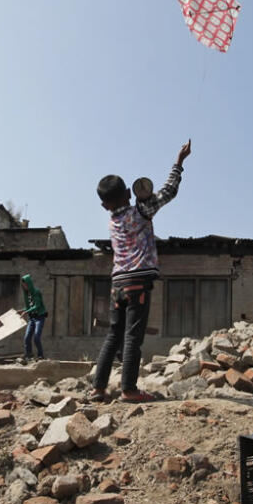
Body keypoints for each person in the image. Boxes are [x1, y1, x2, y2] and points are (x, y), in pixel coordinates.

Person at [91, 139, 192, 403]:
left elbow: (125, 202)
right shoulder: (141, 211)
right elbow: (169, 191)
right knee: (133, 337)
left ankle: (98, 389)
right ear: (128, 193)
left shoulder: (111, 220)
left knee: (114, 334)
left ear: (104, 205)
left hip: (117, 284)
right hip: (138, 281)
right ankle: (129, 390)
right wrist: (179, 163)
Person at [20, 273, 47, 362]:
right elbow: (29, 307)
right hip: (32, 318)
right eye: (23, 285)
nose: (24, 287)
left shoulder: (36, 292)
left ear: (29, 284)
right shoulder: (27, 294)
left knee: (36, 337)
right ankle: (29, 355)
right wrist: (21, 310)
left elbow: (37, 306)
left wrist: (26, 312)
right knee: (27, 337)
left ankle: (41, 356)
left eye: (25, 284)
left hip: (39, 317)